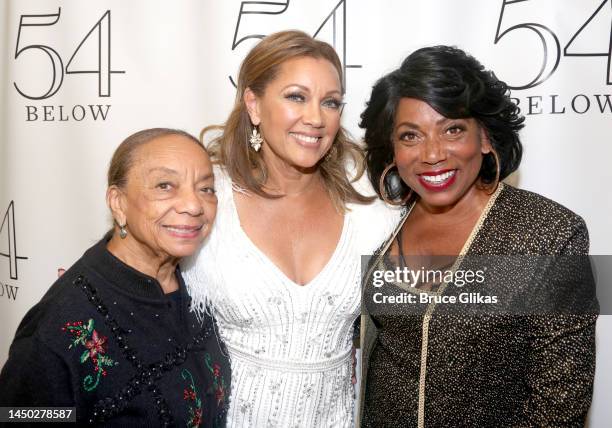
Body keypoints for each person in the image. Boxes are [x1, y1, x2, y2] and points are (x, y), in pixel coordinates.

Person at [359, 46, 598, 427]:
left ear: (485, 137)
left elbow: (559, 403)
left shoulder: (548, 233)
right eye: (410, 136)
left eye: (452, 129)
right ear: (393, 148)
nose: (433, 154)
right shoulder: (383, 222)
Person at [181, 31, 400, 427]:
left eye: (330, 102)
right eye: (296, 96)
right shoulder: (206, 200)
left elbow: (434, 306)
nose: (316, 118)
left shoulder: (370, 210)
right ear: (254, 104)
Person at [0, 128, 230, 427]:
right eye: (165, 185)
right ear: (118, 202)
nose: (194, 205)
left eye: (206, 188)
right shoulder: (61, 324)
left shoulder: (196, 282)